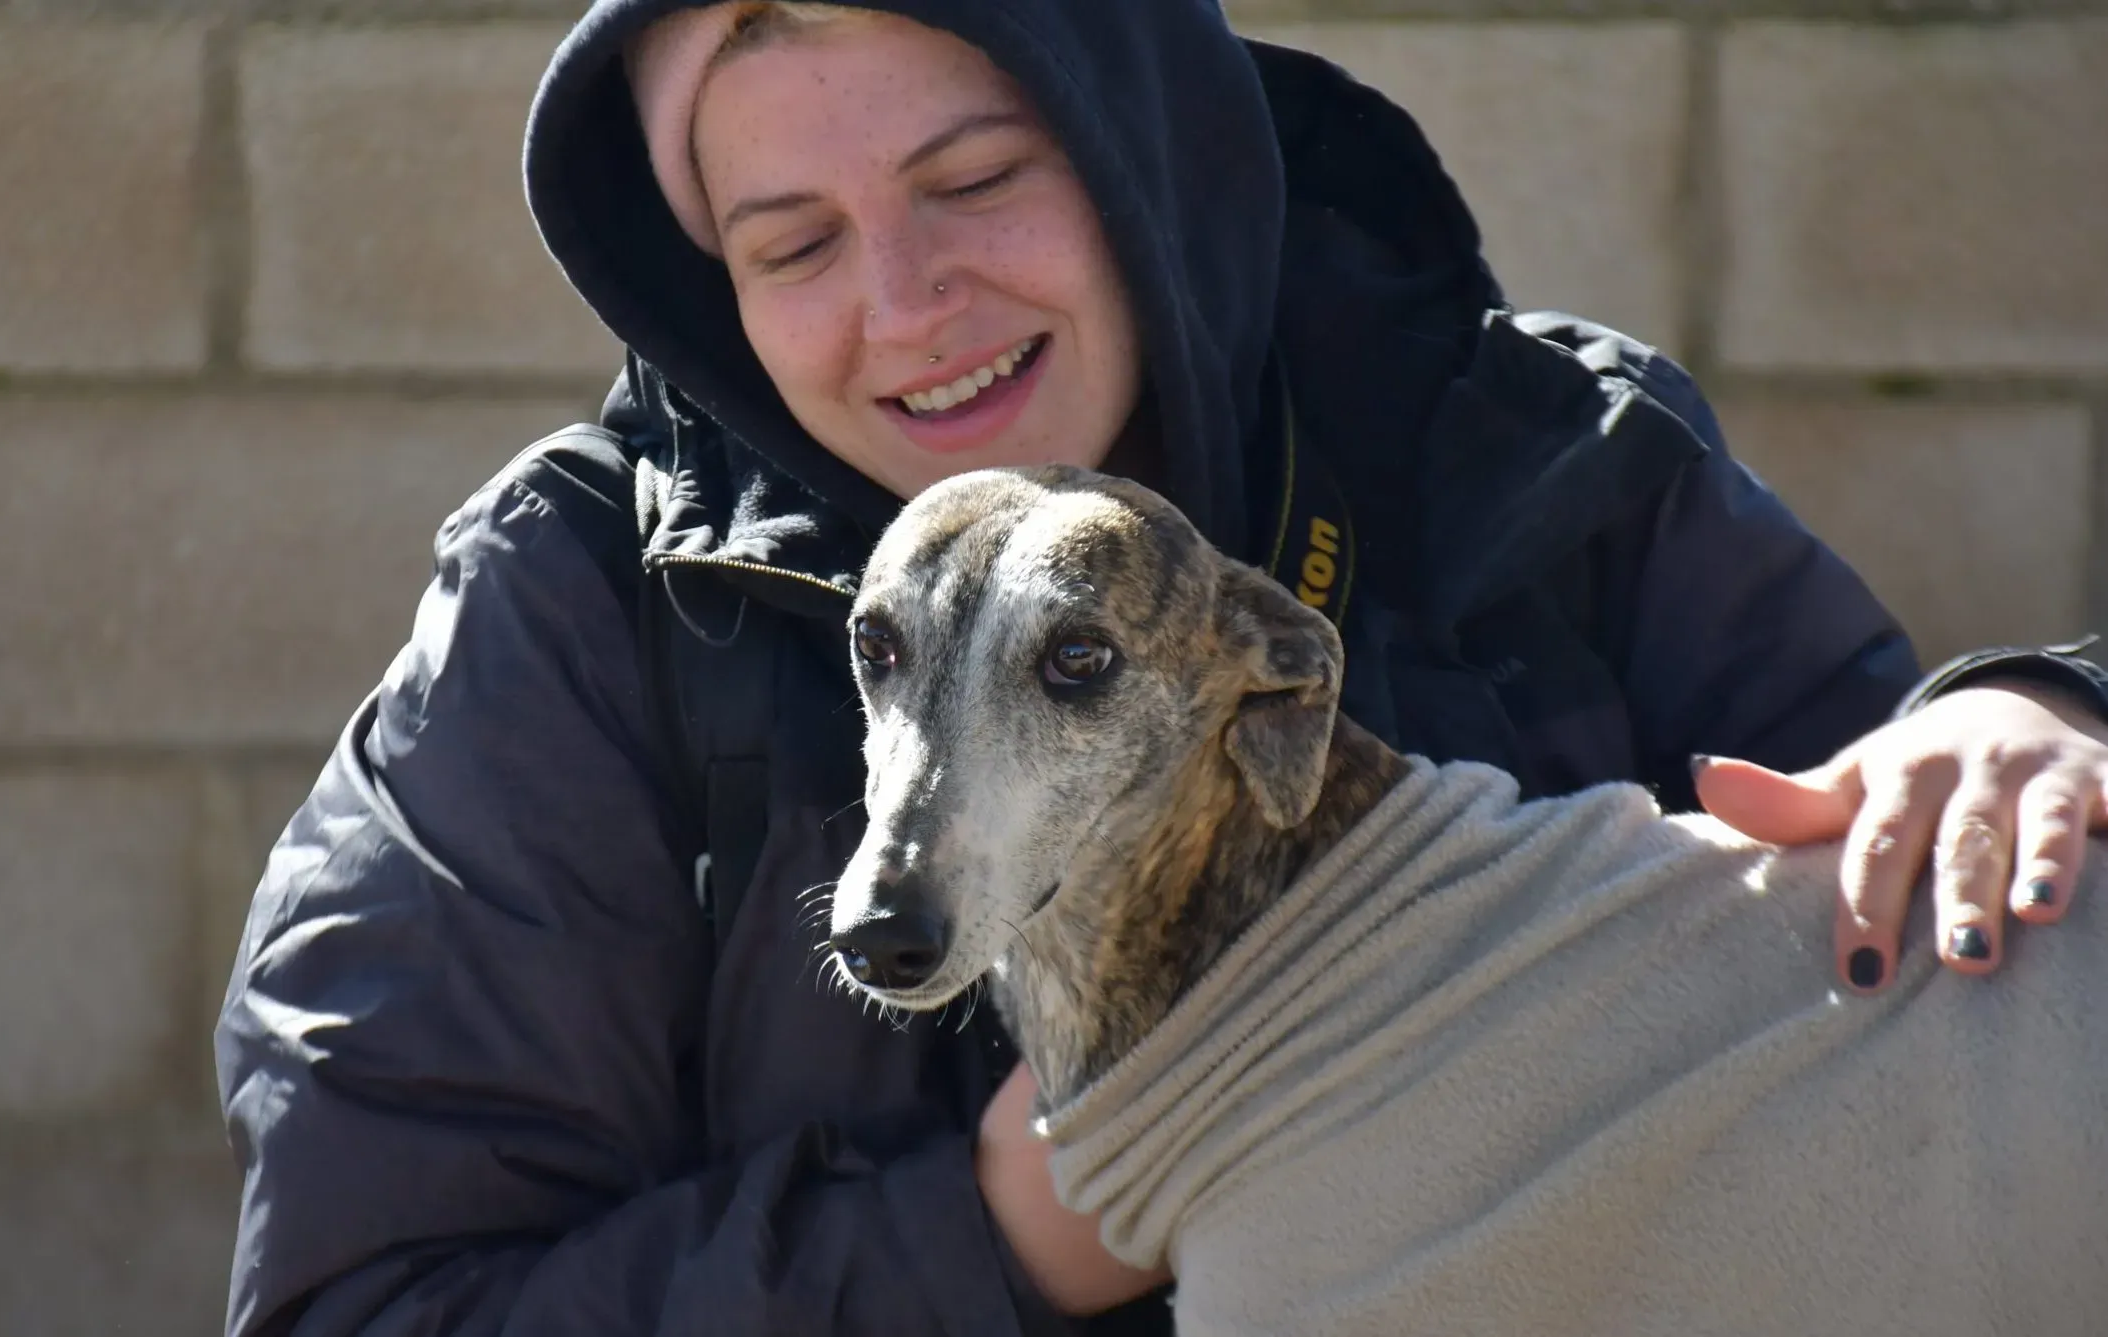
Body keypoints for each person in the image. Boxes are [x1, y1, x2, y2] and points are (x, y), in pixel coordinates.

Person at [213, 2, 2108, 1334]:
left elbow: (1925, 1014)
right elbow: (376, 1307)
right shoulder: (579, 616)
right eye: (789, 242)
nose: (906, 304)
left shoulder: (1534, 453)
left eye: (975, 175)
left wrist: (2044, 714)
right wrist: (1006, 1242)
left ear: (1145, 145)